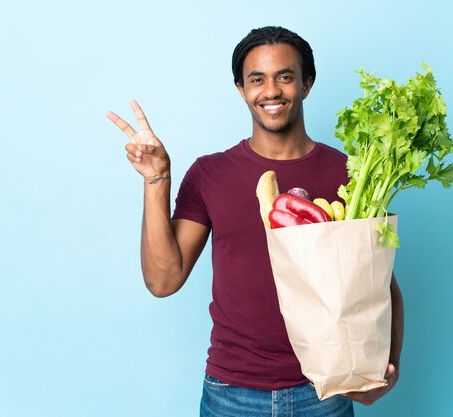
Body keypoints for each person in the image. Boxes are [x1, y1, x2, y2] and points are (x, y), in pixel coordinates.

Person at [106, 26, 404, 417]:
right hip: (231, 393)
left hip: (326, 392)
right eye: (256, 79)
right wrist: (157, 179)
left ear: (307, 83)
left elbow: (381, 285)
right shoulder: (211, 173)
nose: (271, 91)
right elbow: (163, 280)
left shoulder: (353, 173)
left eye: (285, 76)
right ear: (241, 89)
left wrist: (386, 373)